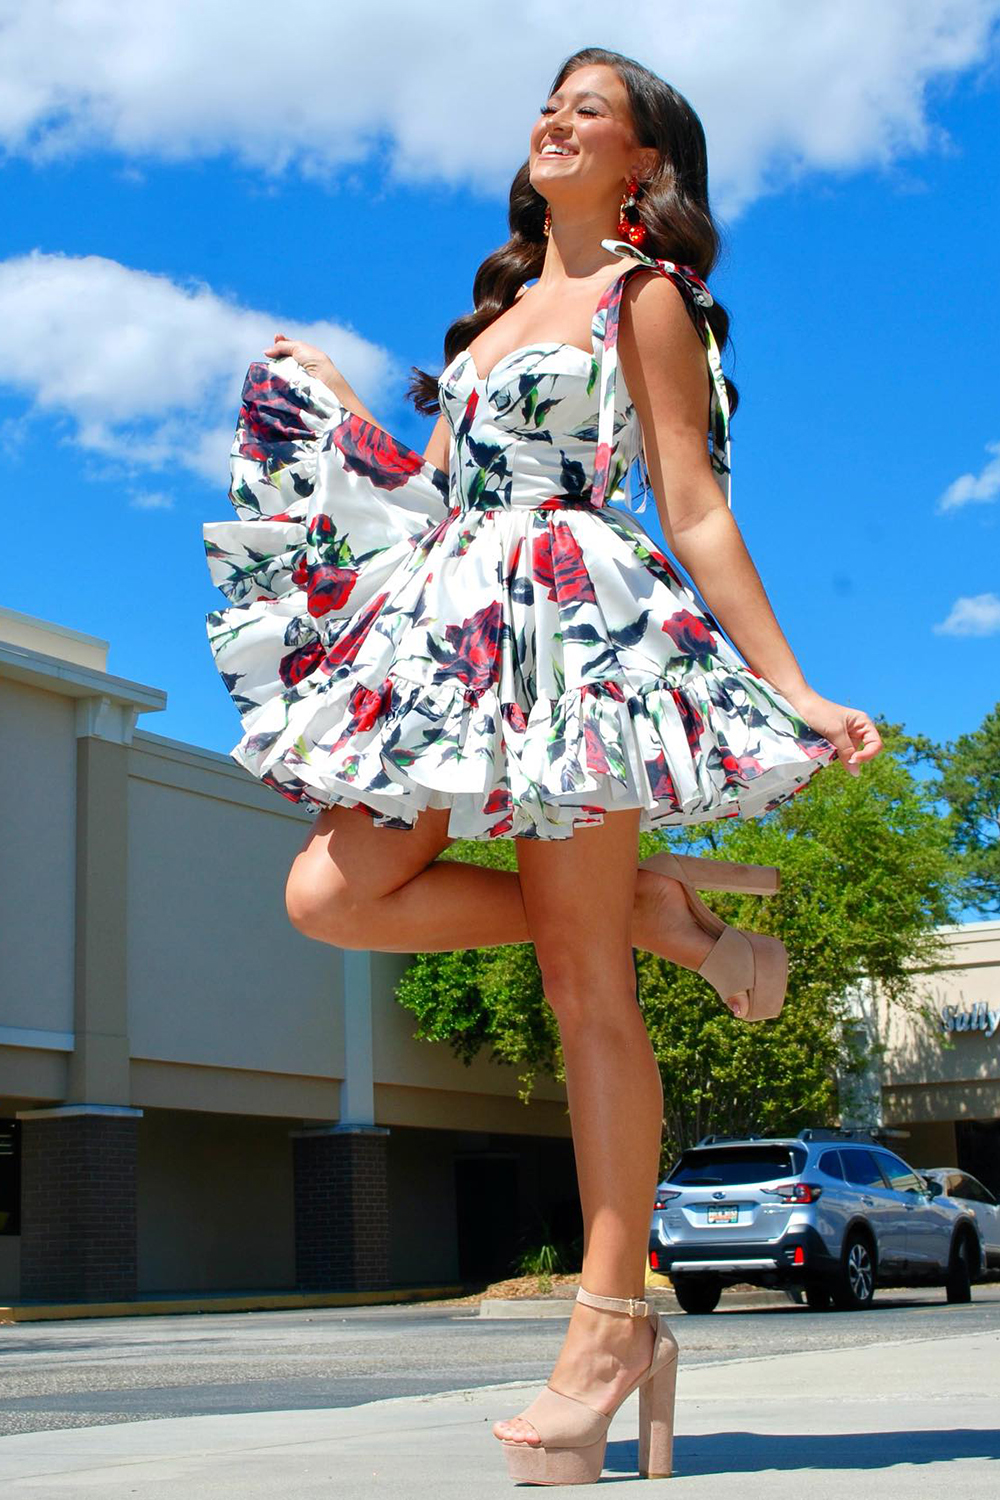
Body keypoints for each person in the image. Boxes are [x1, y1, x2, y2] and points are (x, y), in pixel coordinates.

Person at [202, 45, 882, 1485]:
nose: (555, 122)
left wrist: (792, 682)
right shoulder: (503, 307)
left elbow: (690, 503)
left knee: (585, 994)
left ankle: (610, 1321)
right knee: (334, 890)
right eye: (549, 106)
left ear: (643, 164)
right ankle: (648, 901)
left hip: (572, 630)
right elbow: (438, 494)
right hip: (451, 625)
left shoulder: (648, 300)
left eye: (591, 111)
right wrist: (341, 410)